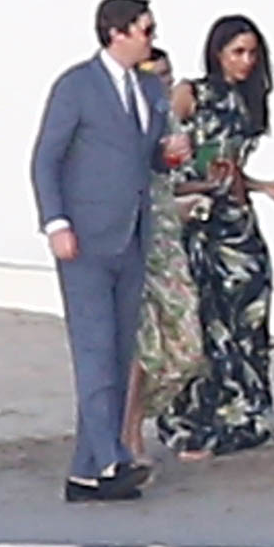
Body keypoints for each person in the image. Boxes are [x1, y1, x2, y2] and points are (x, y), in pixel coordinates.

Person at [30, 0, 190, 502]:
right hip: (85, 239)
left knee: (120, 353)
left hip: (133, 235)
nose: (152, 37)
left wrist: (169, 155)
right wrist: (56, 222)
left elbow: (146, 159)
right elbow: (46, 158)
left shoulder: (149, 87)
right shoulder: (76, 85)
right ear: (116, 32)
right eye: (145, 29)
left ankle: (85, 473)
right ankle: (111, 458)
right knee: (95, 348)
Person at [156, 15, 274, 459]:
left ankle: (244, 416)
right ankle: (198, 420)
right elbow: (160, 149)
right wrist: (186, 186)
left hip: (237, 223)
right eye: (238, 52)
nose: (246, 61)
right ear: (218, 54)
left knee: (248, 318)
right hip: (198, 221)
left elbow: (229, 168)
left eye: (252, 53)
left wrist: (260, 186)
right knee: (206, 320)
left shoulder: (247, 103)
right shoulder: (192, 94)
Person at [120, 47, 208, 463]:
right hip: (131, 237)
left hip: (167, 239)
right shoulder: (121, 119)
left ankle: (134, 420)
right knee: (143, 342)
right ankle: (129, 431)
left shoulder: (169, 122)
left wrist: (192, 195)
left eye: (169, 75)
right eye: (157, 76)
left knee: (187, 343)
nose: (166, 83)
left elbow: (172, 178)